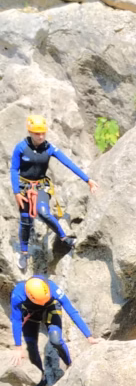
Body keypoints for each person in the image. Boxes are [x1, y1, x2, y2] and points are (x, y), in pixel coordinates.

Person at [10, 114, 99, 271]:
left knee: (43, 212)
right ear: (30, 132)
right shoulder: (21, 148)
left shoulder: (49, 148)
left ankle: (65, 239)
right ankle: (24, 253)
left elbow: (68, 163)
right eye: (37, 133)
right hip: (24, 189)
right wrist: (17, 192)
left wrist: (88, 180)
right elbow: (14, 169)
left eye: (43, 133)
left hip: (40, 187)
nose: (41, 136)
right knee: (25, 221)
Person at [10, 277, 98, 386]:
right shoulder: (18, 295)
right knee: (31, 346)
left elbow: (72, 311)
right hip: (30, 311)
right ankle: (41, 378)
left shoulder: (53, 289)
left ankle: (69, 364)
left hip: (51, 307)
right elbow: (16, 320)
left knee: (55, 340)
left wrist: (89, 336)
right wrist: (18, 348)